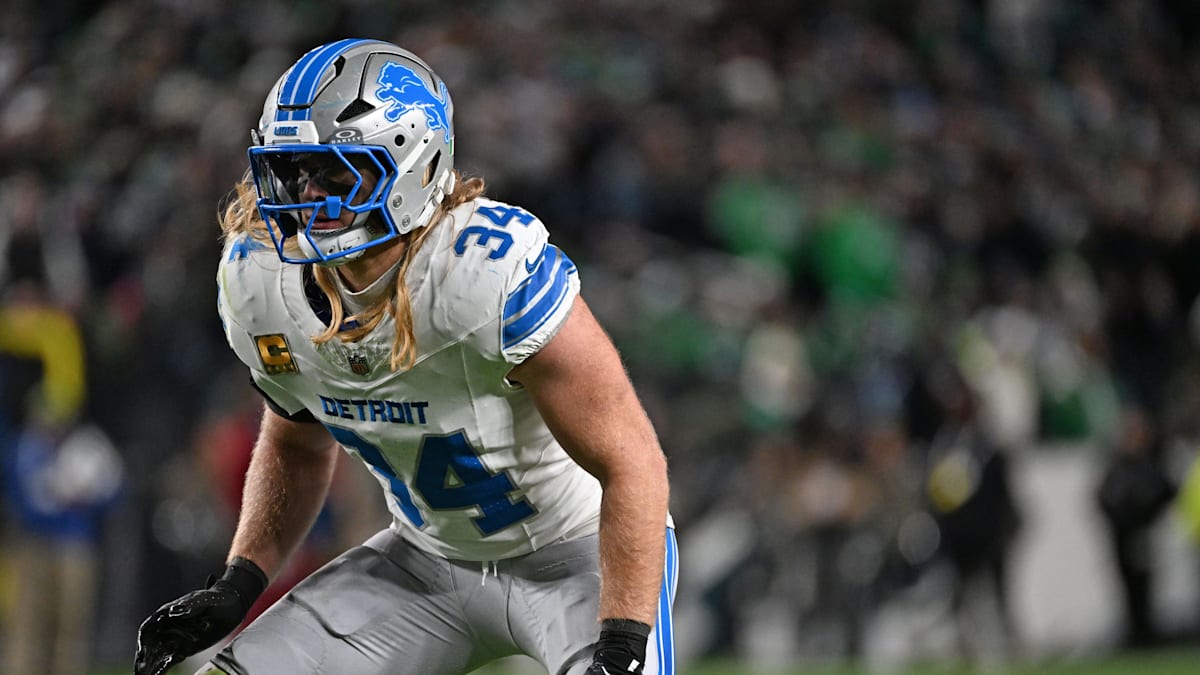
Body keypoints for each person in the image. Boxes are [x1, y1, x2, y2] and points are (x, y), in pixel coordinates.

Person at [133, 38, 677, 675]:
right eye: (295, 170)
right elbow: (296, 442)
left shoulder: (483, 274)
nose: (307, 195)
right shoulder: (260, 282)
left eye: (336, 173)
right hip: (423, 564)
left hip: (577, 557)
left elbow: (632, 462)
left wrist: (622, 641)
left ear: (414, 164)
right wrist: (240, 581)